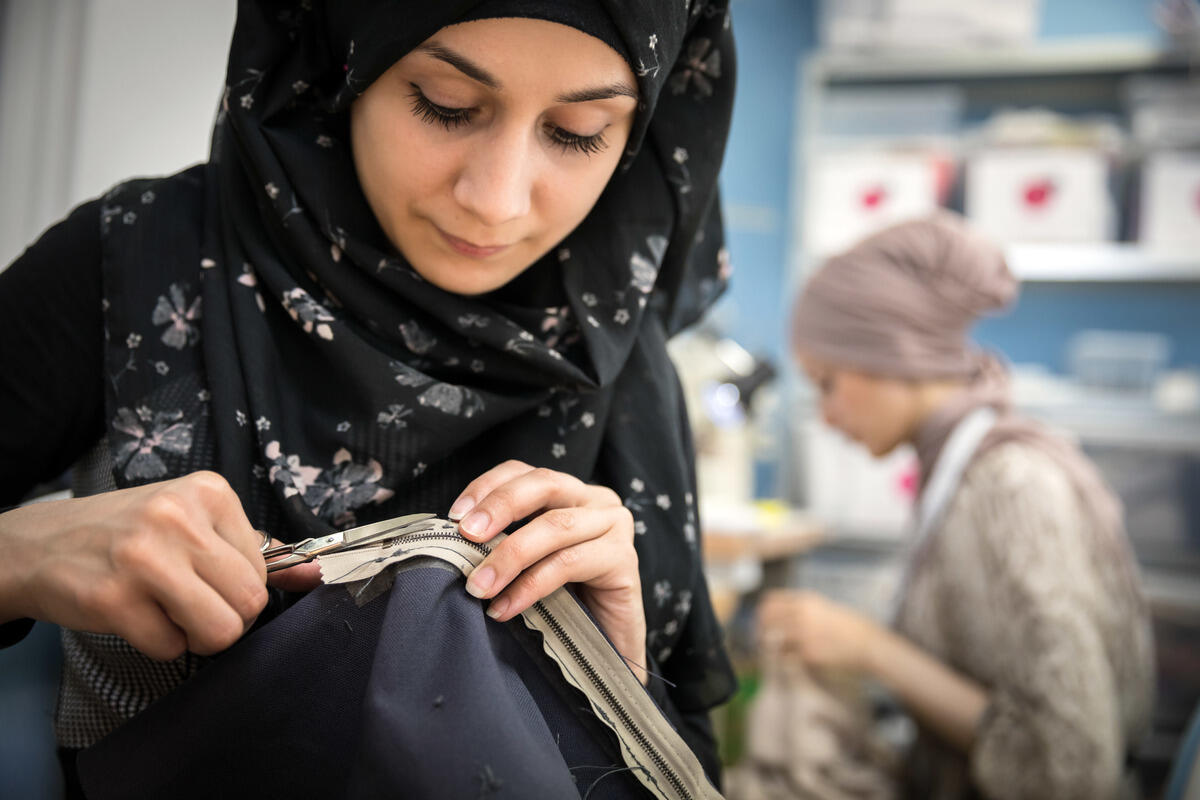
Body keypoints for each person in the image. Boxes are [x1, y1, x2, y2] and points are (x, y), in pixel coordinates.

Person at [0, 0, 737, 792]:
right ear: (342, 58)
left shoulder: (617, 353)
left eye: (578, 130)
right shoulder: (143, 259)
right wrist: (20, 554)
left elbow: (689, 765)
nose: (496, 199)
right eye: (445, 105)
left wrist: (613, 682)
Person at [754, 212, 1156, 800]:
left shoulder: (1012, 487)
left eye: (828, 382)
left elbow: (1071, 769)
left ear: (891, 353)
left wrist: (871, 649)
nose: (827, 415)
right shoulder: (961, 469)